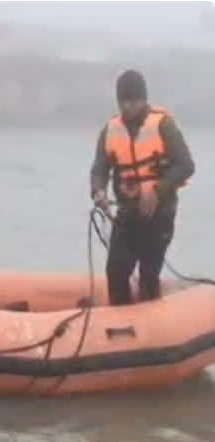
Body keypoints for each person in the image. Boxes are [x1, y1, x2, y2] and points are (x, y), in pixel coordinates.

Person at [90, 69, 195, 306]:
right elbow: (99, 167)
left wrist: (157, 190)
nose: (127, 107)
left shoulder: (163, 125)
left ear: (143, 99)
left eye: (133, 101)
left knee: (149, 273)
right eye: (123, 101)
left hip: (159, 213)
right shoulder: (110, 130)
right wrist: (98, 191)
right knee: (116, 271)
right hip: (127, 214)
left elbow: (186, 165)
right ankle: (119, 328)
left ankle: (154, 327)